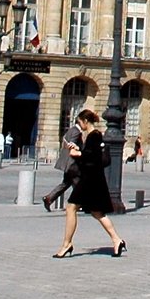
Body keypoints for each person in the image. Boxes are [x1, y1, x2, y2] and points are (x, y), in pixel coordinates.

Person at [53, 109, 124, 258]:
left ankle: (67, 244)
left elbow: (92, 158)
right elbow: (91, 155)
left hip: (89, 179)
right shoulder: (93, 136)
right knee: (97, 212)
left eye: (80, 122)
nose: (80, 125)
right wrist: (79, 150)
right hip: (93, 178)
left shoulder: (94, 135)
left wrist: (77, 154)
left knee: (71, 207)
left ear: (85, 121)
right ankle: (117, 240)